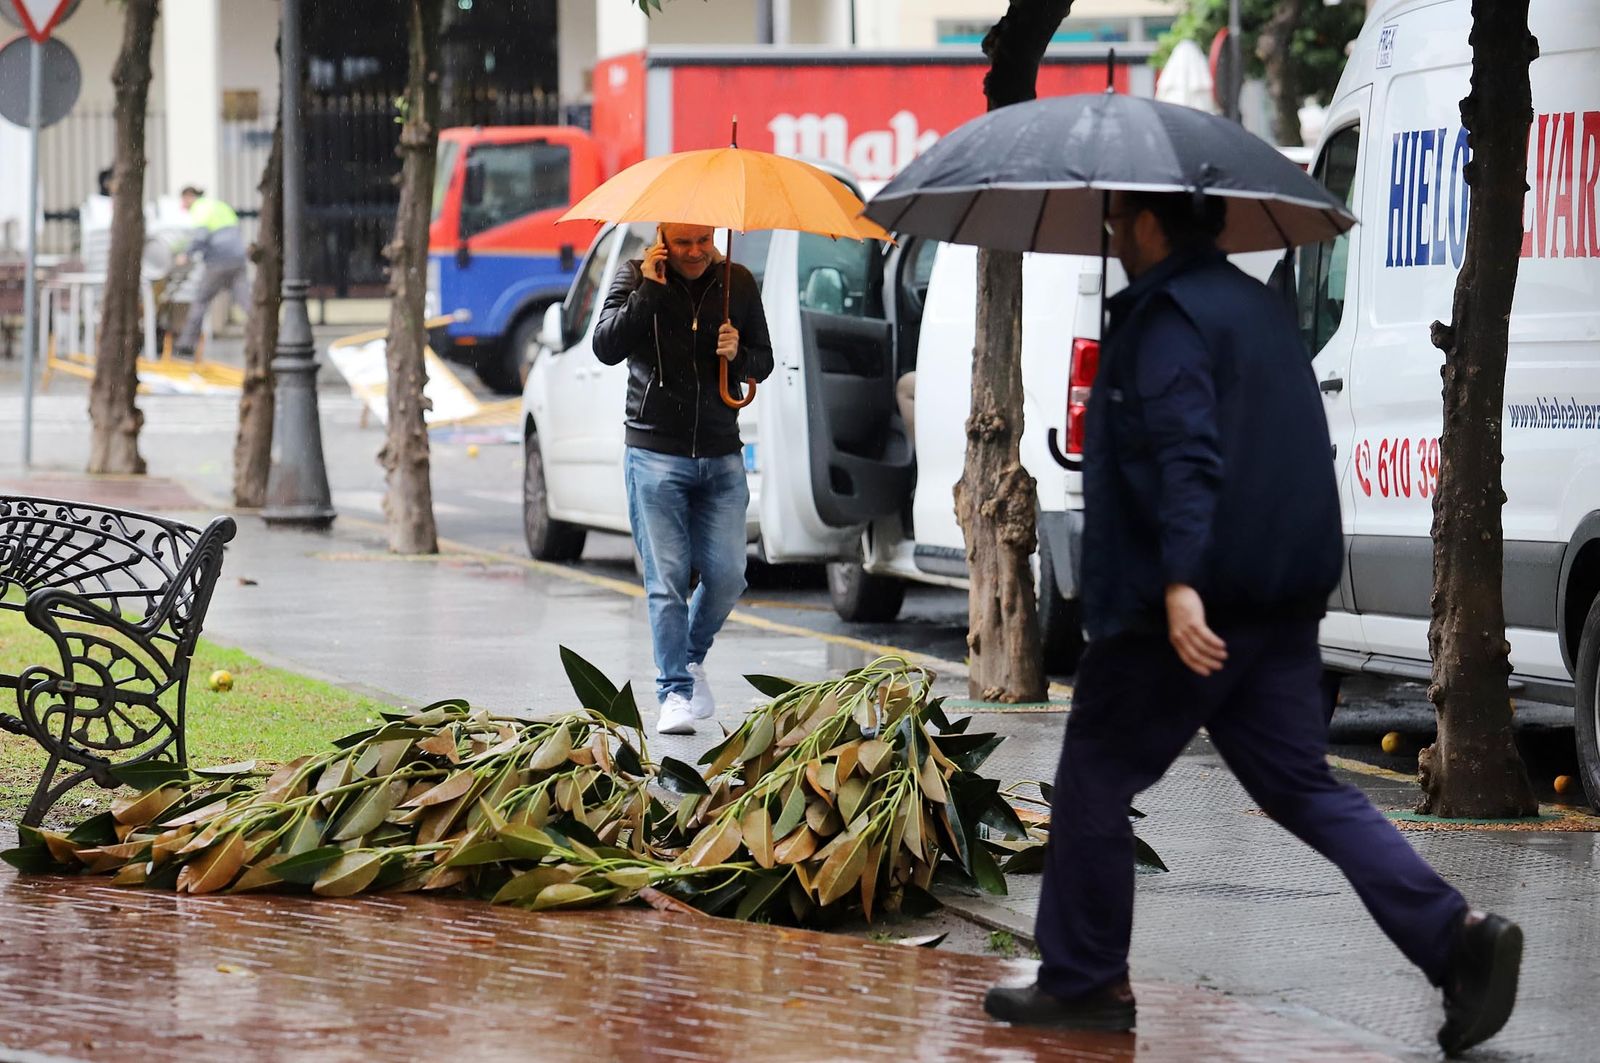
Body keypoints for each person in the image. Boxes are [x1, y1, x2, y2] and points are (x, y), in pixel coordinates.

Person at [983, 190, 1522, 1057]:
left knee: (1093, 777)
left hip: (1184, 614)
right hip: (1277, 603)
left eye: (1121, 222)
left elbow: (1189, 455)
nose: (1115, 238)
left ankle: (1083, 981)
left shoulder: (1166, 321)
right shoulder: (1259, 310)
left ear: (1155, 224)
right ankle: (1456, 937)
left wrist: (1181, 583)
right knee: (1303, 787)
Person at [593, 224, 774, 735]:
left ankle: (690, 659)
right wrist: (649, 291)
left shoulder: (736, 280)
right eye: (683, 243)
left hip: (720, 454)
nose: (694, 252)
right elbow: (605, 346)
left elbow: (765, 358)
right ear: (662, 238)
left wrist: (738, 351)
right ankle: (673, 691)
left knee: (728, 574)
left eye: (702, 240)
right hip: (654, 453)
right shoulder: (634, 277)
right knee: (667, 578)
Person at [173, 185, 248, 358]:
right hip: (237, 258)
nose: (183, 205)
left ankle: (186, 345)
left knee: (200, 301)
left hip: (218, 261)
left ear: (189, 196)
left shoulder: (200, 208)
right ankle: (263, 334)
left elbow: (200, 237)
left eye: (183, 201)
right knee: (246, 302)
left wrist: (186, 254)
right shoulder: (219, 205)